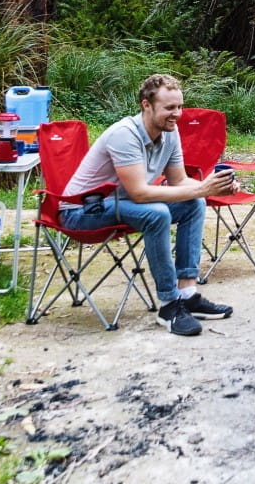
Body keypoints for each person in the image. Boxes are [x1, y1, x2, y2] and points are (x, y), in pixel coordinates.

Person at [62, 74, 239, 336]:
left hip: (120, 204)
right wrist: (202, 188)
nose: (177, 114)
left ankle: (188, 294)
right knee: (156, 214)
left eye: (179, 107)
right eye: (169, 108)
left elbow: (178, 180)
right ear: (146, 105)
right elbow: (140, 193)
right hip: (82, 211)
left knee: (194, 203)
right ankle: (169, 305)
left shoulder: (170, 132)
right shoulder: (124, 135)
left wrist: (215, 186)